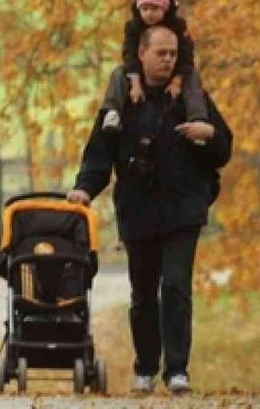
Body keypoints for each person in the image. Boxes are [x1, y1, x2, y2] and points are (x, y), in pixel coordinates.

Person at [67, 25, 232, 395]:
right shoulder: (123, 96)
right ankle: (145, 366)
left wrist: (206, 136)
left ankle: (177, 370)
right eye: (161, 53)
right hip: (138, 207)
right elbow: (100, 150)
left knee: (175, 285)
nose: (168, 60)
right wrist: (84, 188)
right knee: (143, 292)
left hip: (183, 207)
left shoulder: (192, 95)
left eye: (173, 53)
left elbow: (223, 147)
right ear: (141, 54)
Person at [105, 0, 210, 135]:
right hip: (139, 69)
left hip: (176, 69)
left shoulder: (178, 27)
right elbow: (129, 54)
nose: (149, 14)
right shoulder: (133, 28)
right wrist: (135, 82)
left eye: (154, 8)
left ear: (164, 8)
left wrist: (177, 80)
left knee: (192, 77)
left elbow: (187, 56)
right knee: (118, 73)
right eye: (145, 9)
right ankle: (112, 112)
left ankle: (197, 118)